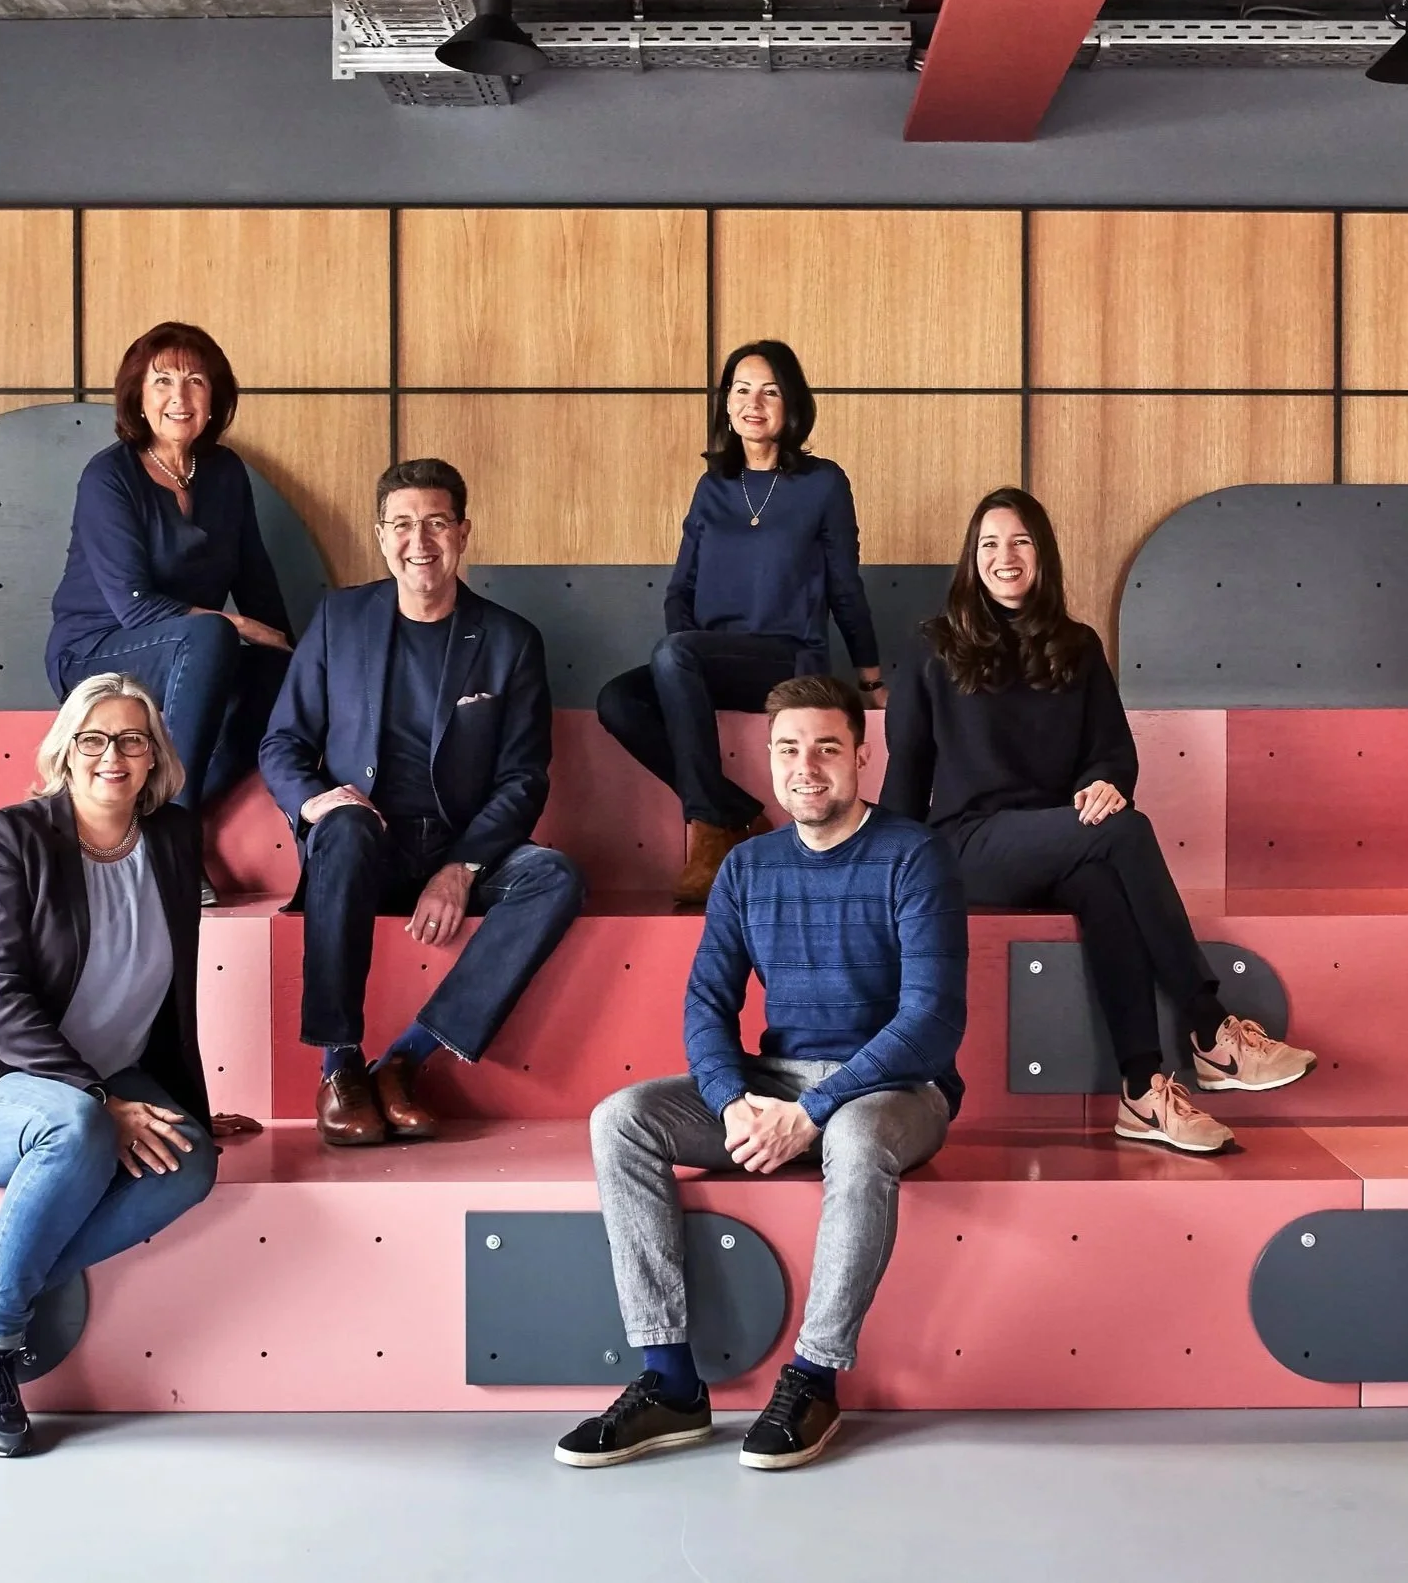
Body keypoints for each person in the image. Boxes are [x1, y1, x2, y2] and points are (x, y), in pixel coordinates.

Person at [556, 675, 965, 1473]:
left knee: (852, 1132)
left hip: (895, 1089)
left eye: (824, 747)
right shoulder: (746, 867)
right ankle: (670, 1381)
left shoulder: (913, 854)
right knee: (621, 1118)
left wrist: (810, 1109)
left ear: (860, 753)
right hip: (776, 1083)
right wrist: (732, 1100)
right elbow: (706, 1003)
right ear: (767, 759)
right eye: (787, 749)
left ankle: (813, 1375)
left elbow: (928, 1021)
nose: (804, 766)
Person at [881, 487, 1317, 1154]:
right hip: (967, 844)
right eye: (989, 543)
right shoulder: (931, 648)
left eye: (1020, 541)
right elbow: (906, 770)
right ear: (971, 559)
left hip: (1061, 843)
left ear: (1041, 555)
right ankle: (1208, 1027)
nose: (1005, 556)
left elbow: (1110, 751)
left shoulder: (1076, 647)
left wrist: (1103, 785)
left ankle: (1142, 1091)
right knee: (1124, 830)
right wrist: (882, 876)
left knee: (1106, 883)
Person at [0, 674, 219, 1458]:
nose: (113, 755)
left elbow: (170, 992)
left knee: (191, 1160)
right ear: (65, 751)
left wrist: (183, 1104)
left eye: (133, 738)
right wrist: (98, 1097)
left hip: (98, 1080)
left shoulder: (170, 838)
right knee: (75, 1125)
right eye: (94, 738)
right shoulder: (7, 838)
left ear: (155, 756)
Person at [259, 458, 585, 1146]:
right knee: (343, 829)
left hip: (457, 842)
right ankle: (339, 1066)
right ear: (381, 536)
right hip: (360, 843)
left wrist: (462, 865)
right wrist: (315, 802)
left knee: (553, 876)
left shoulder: (508, 639)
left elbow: (523, 777)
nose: (420, 540)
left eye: (436, 522)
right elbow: (282, 741)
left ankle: (406, 1057)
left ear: (462, 532)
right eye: (402, 524)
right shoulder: (338, 619)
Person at [595, 340, 884, 905]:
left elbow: (846, 587)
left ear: (791, 404)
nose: (754, 402)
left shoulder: (823, 484)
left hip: (788, 656)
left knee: (676, 656)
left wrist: (870, 677)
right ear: (726, 404)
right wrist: (680, 647)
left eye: (769, 390)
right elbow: (681, 589)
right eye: (741, 389)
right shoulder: (713, 487)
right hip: (705, 658)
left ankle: (707, 832)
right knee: (617, 700)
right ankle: (733, 811)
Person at [45, 321, 295, 903]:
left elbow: (256, 576)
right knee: (210, 634)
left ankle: (153, 817)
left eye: (195, 381)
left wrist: (297, 654)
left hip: (188, 649)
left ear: (216, 398)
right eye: (162, 381)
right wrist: (233, 625)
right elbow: (133, 607)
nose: (179, 398)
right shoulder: (109, 476)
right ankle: (172, 846)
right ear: (138, 394)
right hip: (97, 653)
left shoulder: (227, 474)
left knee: (283, 674)